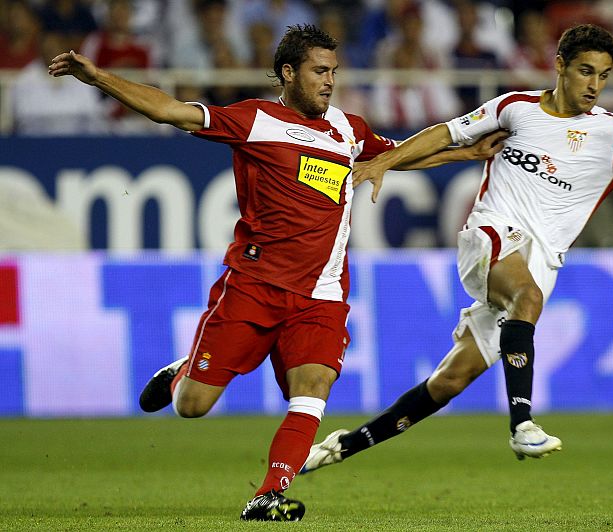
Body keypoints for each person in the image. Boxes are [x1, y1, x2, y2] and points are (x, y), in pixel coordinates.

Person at [47, 24, 504, 522]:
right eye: (318, 71)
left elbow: (395, 155)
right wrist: (98, 79)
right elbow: (167, 109)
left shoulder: (348, 128)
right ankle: (182, 371)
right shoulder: (255, 120)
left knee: (314, 388)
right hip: (253, 287)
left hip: (321, 295)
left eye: (333, 71)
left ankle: (268, 494)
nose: (328, 81)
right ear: (288, 73)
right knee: (193, 406)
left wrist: (466, 151)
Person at [302, 24, 613, 475]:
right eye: (586, 71)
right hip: (490, 236)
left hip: (540, 261)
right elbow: (448, 133)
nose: (594, 84)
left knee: (450, 380)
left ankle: (344, 445)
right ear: (560, 66)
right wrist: (382, 162)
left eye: (604, 75)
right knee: (525, 298)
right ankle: (522, 423)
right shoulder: (516, 108)